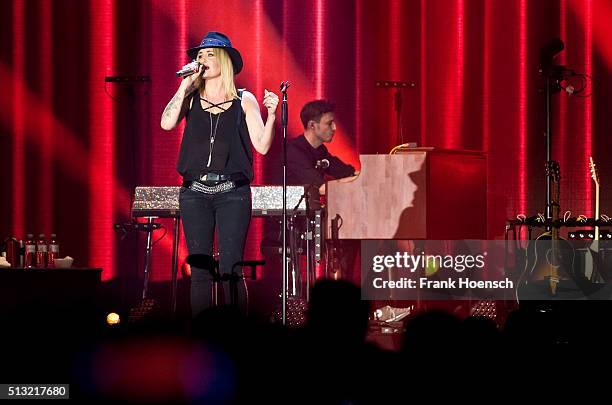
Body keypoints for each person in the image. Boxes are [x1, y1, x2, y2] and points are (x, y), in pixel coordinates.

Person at [160, 31, 279, 316]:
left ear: (224, 60)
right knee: (200, 269)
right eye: (199, 55)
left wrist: (272, 114)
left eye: (209, 54)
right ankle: (202, 338)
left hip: (232, 194)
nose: (202, 59)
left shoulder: (243, 99)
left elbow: (261, 145)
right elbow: (166, 124)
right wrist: (184, 87)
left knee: (230, 268)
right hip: (194, 194)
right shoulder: (191, 97)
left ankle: (237, 335)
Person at [287, 100, 359, 195]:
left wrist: (365, 176)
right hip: (288, 208)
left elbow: (349, 173)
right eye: (329, 123)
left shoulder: (321, 150)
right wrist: (360, 181)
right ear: (312, 125)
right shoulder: (294, 151)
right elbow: (321, 188)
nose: (334, 128)